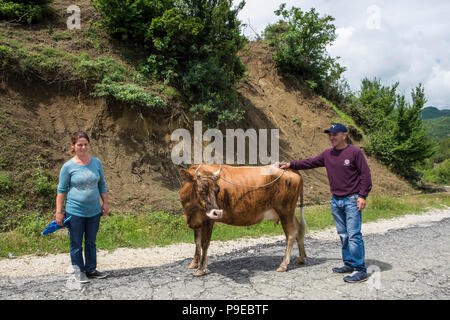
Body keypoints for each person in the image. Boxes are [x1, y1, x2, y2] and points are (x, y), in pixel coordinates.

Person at [280, 123, 372, 283]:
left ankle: (360, 269)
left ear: (344, 135)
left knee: (354, 235)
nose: (332, 137)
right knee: (343, 234)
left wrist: (362, 195)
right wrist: (291, 165)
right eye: (330, 134)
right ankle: (349, 263)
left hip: (352, 200)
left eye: (335, 134)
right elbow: (310, 162)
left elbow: (366, 175)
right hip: (336, 200)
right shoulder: (328, 154)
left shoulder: (355, 152)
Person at [55, 131, 109, 283]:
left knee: (91, 241)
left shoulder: (96, 163)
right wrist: (59, 212)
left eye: (85, 144)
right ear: (73, 146)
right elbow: (61, 190)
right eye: (79, 145)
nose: (83, 147)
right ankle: (79, 271)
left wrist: (105, 202)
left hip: (94, 211)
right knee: (76, 243)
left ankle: (91, 269)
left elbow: (102, 184)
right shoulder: (68, 167)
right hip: (75, 211)